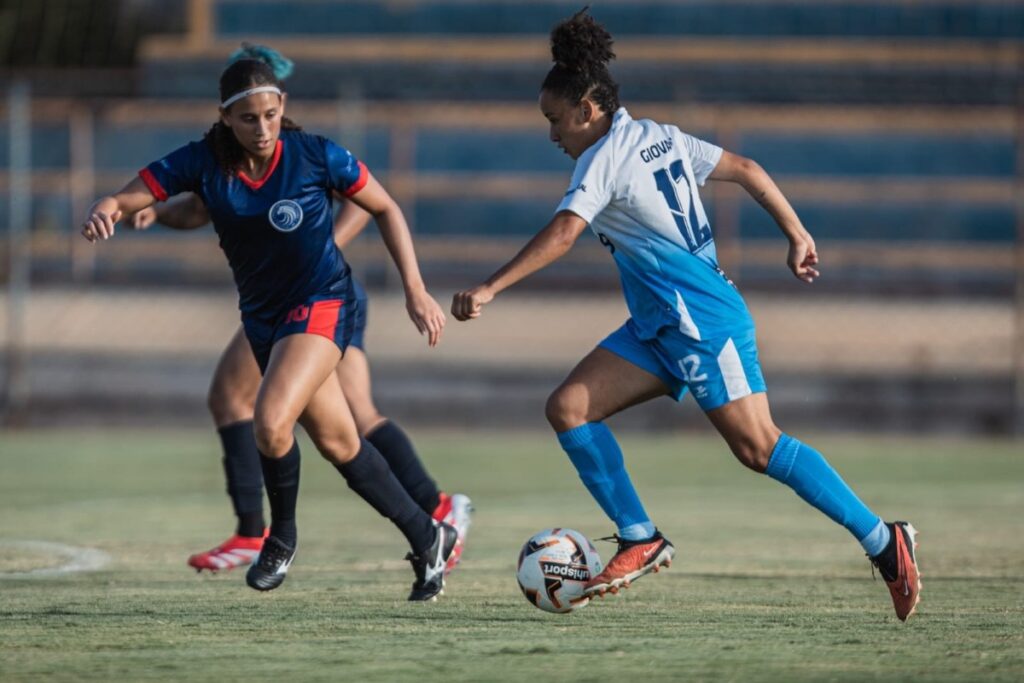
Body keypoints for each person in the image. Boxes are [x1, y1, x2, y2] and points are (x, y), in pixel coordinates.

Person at [452, 9, 921, 621]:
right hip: (658, 327)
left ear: (587, 110)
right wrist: (796, 232)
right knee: (568, 407)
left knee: (759, 447)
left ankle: (885, 542)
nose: (552, 135)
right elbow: (748, 170)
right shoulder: (659, 134)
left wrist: (489, 287)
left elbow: (566, 233)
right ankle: (640, 534)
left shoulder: (601, 160)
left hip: (700, 320)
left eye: (554, 120)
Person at [81, 47, 458, 601]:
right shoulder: (202, 161)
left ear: (283, 106)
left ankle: (277, 538)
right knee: (339, 442)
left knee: (270, 418)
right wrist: (107, 208)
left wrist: (416, 290)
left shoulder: (314, 155)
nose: (262, 128)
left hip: (323, 302)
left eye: (271, 114)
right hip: (263, 318)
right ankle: (429, 537)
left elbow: (385, 207)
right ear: (225, 117)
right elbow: (129, 195)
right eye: (249, 118)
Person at [130, 195, 472, 577]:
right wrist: (158, 212)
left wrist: (321, 254)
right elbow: (199, 208)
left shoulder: (291, 152)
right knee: (356, 413)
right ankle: (436, 506)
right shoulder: (226, 161)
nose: (259, 130)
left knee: (232, 396)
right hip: (319, 295)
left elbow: (363, 200)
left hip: (309, 299)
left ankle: (251, 534)